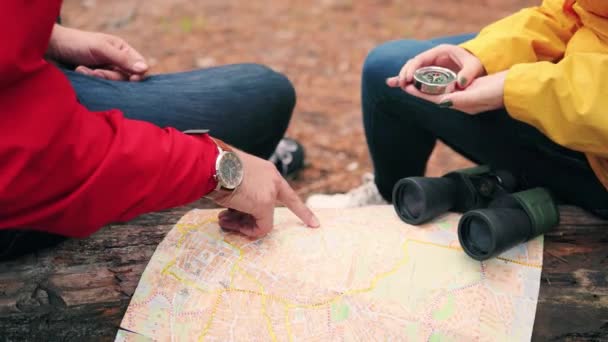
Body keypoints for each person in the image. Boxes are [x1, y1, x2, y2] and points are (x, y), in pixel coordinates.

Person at [0, 0, 320, 260]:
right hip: (19, 176)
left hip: (21, 94)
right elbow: (31, 157)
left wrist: (47, 38)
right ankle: (245, 168)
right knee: (260, 99)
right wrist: (218, 168)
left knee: (260, 92)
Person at [307, 0, 608, 219]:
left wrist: (517, 88)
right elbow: (574, 11)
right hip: (579, 70)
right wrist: (482, 53)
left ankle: (387, 197)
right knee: (400, 63)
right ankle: (389, 195)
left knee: (382, 76)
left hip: (595, 157)